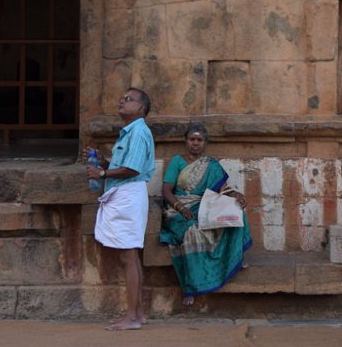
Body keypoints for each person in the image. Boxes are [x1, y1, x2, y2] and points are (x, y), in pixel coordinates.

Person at [84, 87, 155, 331]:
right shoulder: (131, 133)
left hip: (129, 194)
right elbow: (124, 165)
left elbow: (132, 169)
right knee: (131, 257)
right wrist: (103, 162)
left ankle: (133, 317)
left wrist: (103, 172)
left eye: (128, 99)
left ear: (141, 108)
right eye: (122, 98)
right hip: (127, 194)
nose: (122, 101)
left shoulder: (137, 132)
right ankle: (138, 314)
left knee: (128, 257)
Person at [160, 123, 252, 306]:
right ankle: (191, 286)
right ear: (186, 141)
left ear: (205, 143)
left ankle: (235, 257)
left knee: (237, 214)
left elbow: (222, 190)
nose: (195, 143)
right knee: (192, 232)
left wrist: (236, 195)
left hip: (204, 206)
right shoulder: (177, 161)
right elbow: (166, 191)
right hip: (178, 210)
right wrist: (181, 208)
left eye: (199, 140)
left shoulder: (211, 165)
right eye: (192, 139)